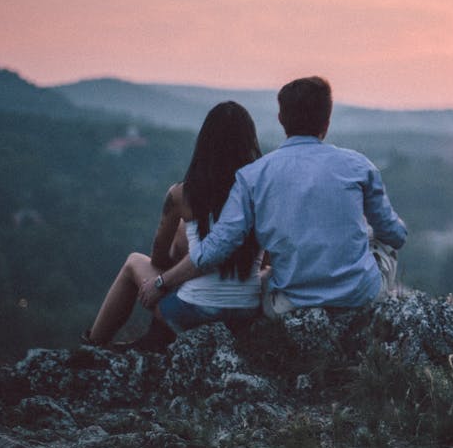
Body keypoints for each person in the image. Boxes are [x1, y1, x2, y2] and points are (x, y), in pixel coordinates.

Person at [139, 76, 407, 317]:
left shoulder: (252, 176)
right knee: (377, 237)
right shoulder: (359, 166)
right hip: (358, 296)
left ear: (281, 119)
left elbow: (219, 245)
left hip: (289, 304)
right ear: (327, 122)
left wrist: (162, 282)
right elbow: (396, 236)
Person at [83, 101, 265, 348]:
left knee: (134, 262)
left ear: (205, 143)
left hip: (192, 312)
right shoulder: (261, 193)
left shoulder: (183, 194)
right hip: (246, 311)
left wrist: (174, 264)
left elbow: (157, 257)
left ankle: (93, 345)